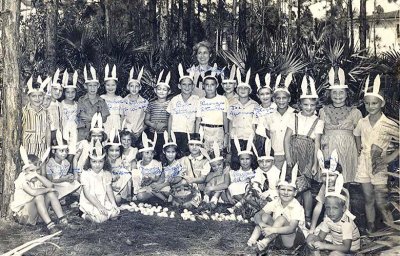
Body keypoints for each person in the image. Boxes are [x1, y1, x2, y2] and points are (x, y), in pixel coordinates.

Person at [354, 75, 399, 232]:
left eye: (374, 103)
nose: (370, 106)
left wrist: (391, 157)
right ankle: (371, 227)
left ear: (382, 103)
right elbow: (357, 134)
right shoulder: (362, 121)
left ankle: (392, 229)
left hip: (379, 164)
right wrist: (359, 147)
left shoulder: (388, 124)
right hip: (363, 163)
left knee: (381, 199)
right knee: (368, 197)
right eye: (367, 103)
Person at [284, 75, 324, 228]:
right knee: (292, 185)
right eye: (305, 104)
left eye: (312, 105)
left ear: (316, 106)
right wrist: (288, 157)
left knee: (305, 187)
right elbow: (286, 139)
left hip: (307, 156)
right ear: (300, 104)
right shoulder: (293, 118)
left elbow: (317, 144)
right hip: (293, 154)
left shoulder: (318, 122)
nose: (308, 108)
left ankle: (307, 216)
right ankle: (292, 215)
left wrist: (315, 164)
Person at [248, 162, 305, 251]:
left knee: (281, 218)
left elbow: (291, 228)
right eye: (282, 189)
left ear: (295, 193)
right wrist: (261, 224)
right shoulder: (276, 201)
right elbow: (257, 215)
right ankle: (252, 241)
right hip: (276, 236)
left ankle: (265, 242)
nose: (285, 193)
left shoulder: (296, 206)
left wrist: (272, 229)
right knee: (265, 216)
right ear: (278, 190)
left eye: (289, 190)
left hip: (292, 240)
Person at [11, 146, 68, 234]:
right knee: (39, 196)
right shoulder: (22, 178)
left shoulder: (36, 177)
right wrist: (47, 189)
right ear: (24, 170)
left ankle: (63, 220)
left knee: (51, 194)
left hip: (37, 215)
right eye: (31, 170)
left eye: (37, 170)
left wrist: (38, 176)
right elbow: (33, 192)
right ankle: (50, 225)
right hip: (24, 215)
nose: (35, 173)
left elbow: (51, 185)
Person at [319, 67, 362, 183]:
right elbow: (320, 131)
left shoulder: (355, 112)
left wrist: (359, 150)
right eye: (334, 92)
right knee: (329, 176)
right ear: (329, 94)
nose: (338, 95)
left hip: (347, 147)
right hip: (329, 146)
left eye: (341, 92)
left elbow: (359, 133)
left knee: (345, 176)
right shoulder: (323, 111)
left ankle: (344, 197)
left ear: (347, 94)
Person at [306, 175, 360, 255]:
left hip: (350, 252)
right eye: (328, 208)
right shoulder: (328, 219)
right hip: (335, 246)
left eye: (335, 208)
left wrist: (324, 246)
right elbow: (321, 237)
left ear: (343, 208)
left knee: (334, 254)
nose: (331, 212)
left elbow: (346, 247)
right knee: (310, 237)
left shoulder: (346, 223)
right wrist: (313, 241)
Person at [309, 150, 350, 234]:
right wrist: (312, 229)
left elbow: (347, 211)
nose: (327, 179)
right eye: (324, 175)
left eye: (331, 175)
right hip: (326, 222)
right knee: (312, 238)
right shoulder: (324, 187)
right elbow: (318, 207)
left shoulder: (343, 191)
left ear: (338, 176)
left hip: (341, 224)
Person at [80, 140, 120, 223]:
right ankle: (84, 214)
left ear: (104, 161)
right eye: (94, 161)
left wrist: (113, 204)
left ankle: (100, 216)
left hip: (102, 199)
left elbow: (109, 190)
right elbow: (87, 194)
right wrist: (99, 207)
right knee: (100, 219)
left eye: (100, 161)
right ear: (89, 161)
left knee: (115, 215)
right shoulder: (85, 174)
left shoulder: (106, 173)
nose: (97, 165)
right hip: (90, 201)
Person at [228, 68, 258, 170]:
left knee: (251, 163)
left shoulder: (255, 105)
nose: (243, 90)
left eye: (246, 88)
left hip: (250, 138)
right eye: (241, 88)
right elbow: (230, 123)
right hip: (236, 138)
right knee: (236, 162)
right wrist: (228, 139)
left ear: (250, 91)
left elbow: (256, 124)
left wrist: (256, 138)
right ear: (237, 90)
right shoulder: (232, 104)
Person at [167, 66, 200, 155]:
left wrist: (196, 135)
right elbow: (170, 118)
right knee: (176, 155)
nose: (187, 87)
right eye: (184, 84)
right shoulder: (174, 100)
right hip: (176, 132)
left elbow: (198, 119)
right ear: (179, 86)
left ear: (193, 86)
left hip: (189, 133)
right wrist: (169, 135)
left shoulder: (197, 100)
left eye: (189, 84)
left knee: (186, 155)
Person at [265, 73, 295, 170]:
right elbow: (268, 134)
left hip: (291, 154)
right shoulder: (269, 116)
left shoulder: (295, 115)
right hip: (275, 154)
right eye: (278, 98)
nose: (281, 101)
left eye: (284, 98)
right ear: (274, 99)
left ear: (289, 99)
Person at [195, 69, 229, 153]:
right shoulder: (200, 101)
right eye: (207, 84)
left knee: (218, 154)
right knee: (205, 154)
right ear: (203, 86)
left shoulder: (223, 99)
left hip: (218, 130)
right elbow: (198, 120)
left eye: (212, 84)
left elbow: (225, 117)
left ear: (217, 85)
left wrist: (226, 133)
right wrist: (196, 136)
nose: (209, 87)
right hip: (205, 130)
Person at [76, 65, 110, 141]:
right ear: (85, 86)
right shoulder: (81, 100)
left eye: (95, 85)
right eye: (90, 85)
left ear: (98, 86)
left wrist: (90, 119)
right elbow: (81, 116)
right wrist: (97, 119)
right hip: (83, 132)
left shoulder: (102, 101)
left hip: (96, 133)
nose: (92, 88)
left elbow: (104, 119)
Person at [46, 130, 80, 203]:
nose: (64, 153)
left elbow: (63, 175)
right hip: (54, 185)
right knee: (67, 186)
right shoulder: (49, 164)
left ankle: (63, 198)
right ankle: (61, 198)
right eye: (61, 151)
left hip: (62, 183)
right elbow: (50, 180)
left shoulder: (66, 163)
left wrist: (69, 176)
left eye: (66, 151)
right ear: (54, 151)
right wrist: (64, 179)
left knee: (76, 183)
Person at [22, 76, 52, 157]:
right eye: (34, 96)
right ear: (28, 97)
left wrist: (48, 148)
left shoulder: (46, 112)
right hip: (28, 150)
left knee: (42, 168)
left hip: (42, 149)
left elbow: (48, 132)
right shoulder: (24, 112)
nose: (37, 99)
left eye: (40, 96)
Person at [144, 70, 171, 160]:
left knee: (164, 155)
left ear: (168, 91)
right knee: (153, 154)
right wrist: (154, 125)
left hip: (165, 134)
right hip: (152, 134)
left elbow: (172, 119)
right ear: (155, 90)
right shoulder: (151, 104)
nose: (161, 91)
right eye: (159, 89)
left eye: (164, 90)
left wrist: (164, 124)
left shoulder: (170, 104)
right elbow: (146, 120)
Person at [132, 133, 166, 202]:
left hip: (155, 186)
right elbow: (136, 180)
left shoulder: (156, 164)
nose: (150, 155)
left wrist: (151, 178)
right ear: (141, 154)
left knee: (155, 188)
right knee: (140, 196)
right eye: (147, 153)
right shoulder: (138, 164)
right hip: (143, 188)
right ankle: (155, 198)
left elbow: (158, 178)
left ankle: (163, 199)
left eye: (152, 153)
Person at [227, 136, 256, 211]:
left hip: (251, 194)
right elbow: (229, 186)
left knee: (250, 187)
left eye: (247, 159)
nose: (245, 161)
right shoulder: (235, 172)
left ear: (251, 160)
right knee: (233, 186)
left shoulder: (255, 171)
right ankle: (247, 206)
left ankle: (238, 206)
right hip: (239, 194)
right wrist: (229, 197)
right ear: (238, 160)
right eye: (242, 159)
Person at [120, 67, 149, 145]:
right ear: (128, 87)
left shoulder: (144, 102)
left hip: (139, 133)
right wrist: (125, 130)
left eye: (136, 86)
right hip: (127, 134)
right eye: (132, 86)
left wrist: (140, 132)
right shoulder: (123, 101)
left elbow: (146, 120)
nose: (134, 88)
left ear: (140, 88)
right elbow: (122, 118)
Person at [105, 128, 133, 203]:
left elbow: (124, 175)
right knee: (117, 199)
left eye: (117, 150)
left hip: (114, 185)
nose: (114, 153)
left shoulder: (119, 160)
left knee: (125, 172)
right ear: (107, 150)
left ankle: (127, 195)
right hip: (104, 187)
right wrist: (111, 185)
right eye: (111, 150)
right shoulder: (104, 161)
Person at [253, 73, 277, 155]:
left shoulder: (276, 107)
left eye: (267, 93)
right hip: (260, 139)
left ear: (272, 95)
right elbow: (255, 125)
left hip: (274, 138)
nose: (265, 96)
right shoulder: (257, 109)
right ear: (258, 96)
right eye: (262, 94)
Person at [202, 141, 230, 208]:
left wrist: (212, 188)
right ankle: (205, 199)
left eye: (219, 164)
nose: (217, 167)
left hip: (223, 194)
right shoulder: (212, 172)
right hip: (211, 192)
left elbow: (226, 185)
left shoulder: (226, 170)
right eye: (214, 166)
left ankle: (214, 200)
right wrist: (215, 174)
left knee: (220, 183)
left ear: (223, 162)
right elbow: (205, 180)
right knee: (209, 182)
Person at [61, 69, 79, 164]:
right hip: (64, 129)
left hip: (73, 131)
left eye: (73, 92)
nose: (70, 94)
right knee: (63, 150)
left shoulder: (77, 105)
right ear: (64, 93)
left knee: (72, 150)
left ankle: (69, 169)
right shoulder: (61, 104)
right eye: (68, 92)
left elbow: (78, 118)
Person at [101, 64, 123, 134]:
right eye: (108, 85)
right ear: (104, 85)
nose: (110, 87)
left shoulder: (120, 99)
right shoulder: (102, 98)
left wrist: (121, 128)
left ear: (116, 85)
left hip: (116, 124)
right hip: (105, 123)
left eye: (113, 85)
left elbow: (122, 115)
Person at [48, 69, 63, 137]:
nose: (57, 92)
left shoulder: (60, 105)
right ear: (50, 88)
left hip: (56, 134)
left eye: (60, 90)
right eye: (55, 89)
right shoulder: (45, 104)